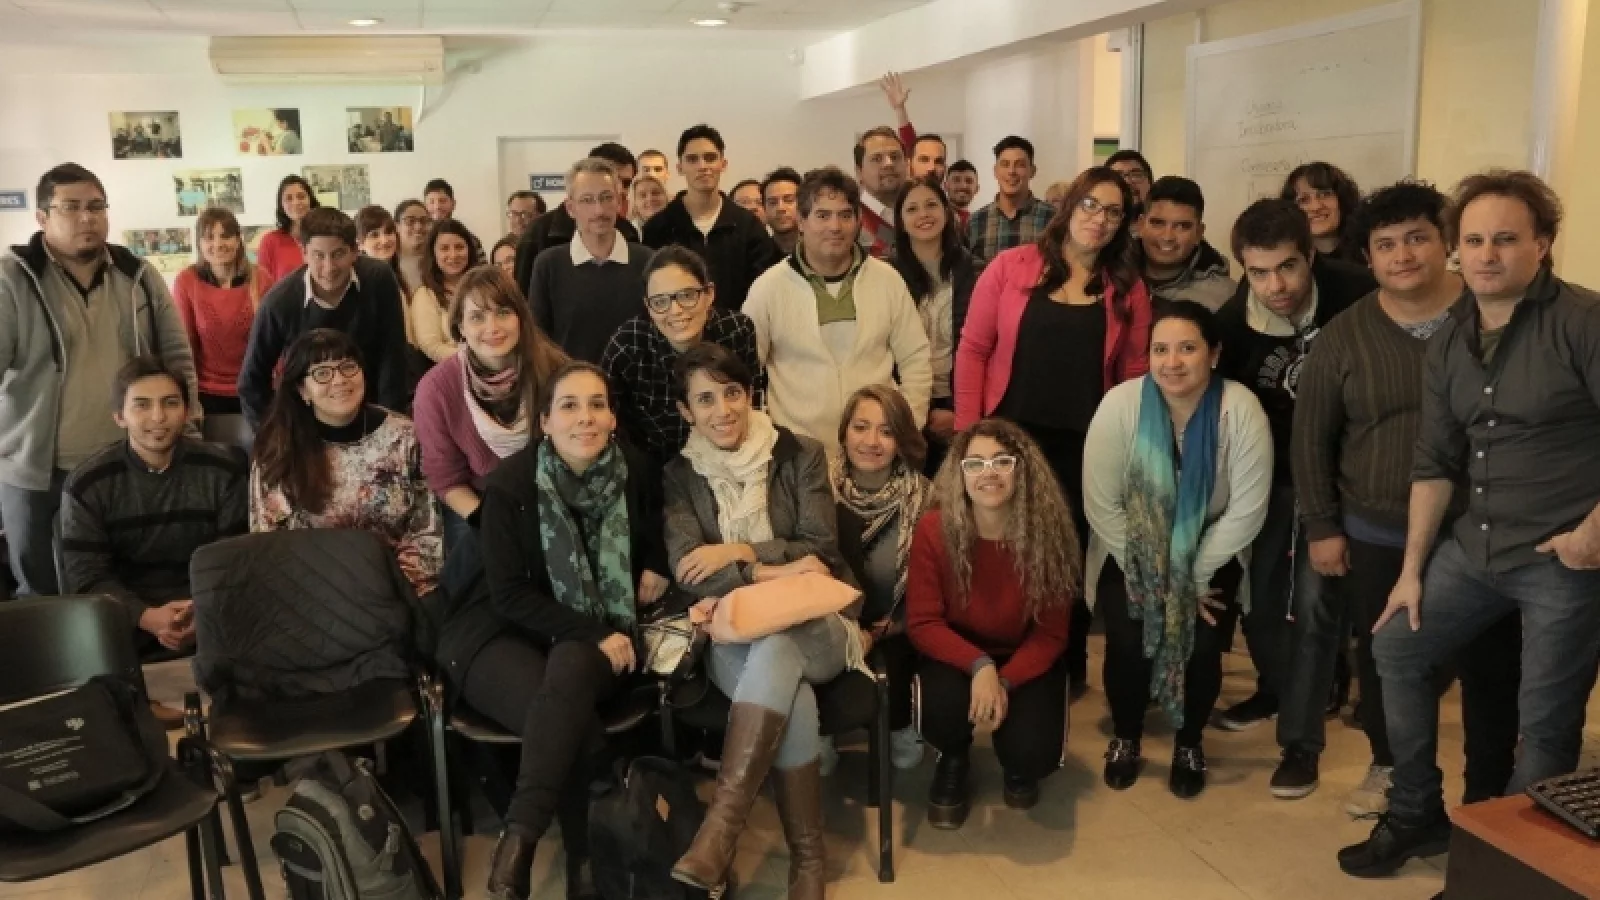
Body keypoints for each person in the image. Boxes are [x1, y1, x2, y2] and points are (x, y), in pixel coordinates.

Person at [1338, 171, 1600, 877]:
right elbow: (1433, 462)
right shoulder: (1452, 337)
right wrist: (1412, 572)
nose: (1487, 255)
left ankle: (1508, 872)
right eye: (1475, 240)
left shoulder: (1584, 321)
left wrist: (1592, 535)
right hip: (1473, 546)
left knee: (1545, 724)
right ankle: (1417, 812)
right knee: (1396, 649)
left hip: (1563, 560)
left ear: (1542, 244)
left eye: (1506, 239)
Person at [1279, 181, 1522, 814]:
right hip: (1378, 529)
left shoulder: (1492, 315)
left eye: (1417, 238)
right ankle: (1392, 769)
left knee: (1491, 664)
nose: (1403, 255)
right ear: (1367, 257)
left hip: (1482, 530)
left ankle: (1488, 791)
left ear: (1445, 243)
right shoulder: (1344, 335)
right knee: (1386, 658)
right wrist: (1323, 526)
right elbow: (1312, 438)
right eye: (1386, 245)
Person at [453, 360, 668, 900]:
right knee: (565, 716)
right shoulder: (510, 485)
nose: (585, 417)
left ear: (613, 417)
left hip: (590, 633)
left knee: (567, 680)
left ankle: (519, 838)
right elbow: (508, 595)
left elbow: (655, 538)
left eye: (597, 404)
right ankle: (583, 859)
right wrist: (594, 633)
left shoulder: (636, 471)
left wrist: (656, 566)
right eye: (569, 406)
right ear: (545, 422)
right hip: (498, 630)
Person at [663, 343, 859, 900]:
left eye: (732, 393)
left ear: (749, 395)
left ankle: (720, 833)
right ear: (685, 411)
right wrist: (773, 570)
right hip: (734, 635)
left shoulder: (801, 454)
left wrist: (738, 552)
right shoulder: (679, 476)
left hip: (817, 623)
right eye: (705, 399)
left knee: (778, 648)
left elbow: (820, 549)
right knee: (789, 686)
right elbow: (688, 571)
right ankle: (808, 861)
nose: (723, 409)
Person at [956, 166, 1153, 693]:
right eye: (1091, 204)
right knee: (1006, 548)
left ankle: (1064, 663)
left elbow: (1135, 375)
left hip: (1085, 444)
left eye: (1114, 212)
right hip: (1011, 436)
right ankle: (1002, 656)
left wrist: (1131, 449)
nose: (1099, 219)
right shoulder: (1010, 267)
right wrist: (969, 436)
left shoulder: (1127, 288)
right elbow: (973, 350)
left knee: (1068, 556)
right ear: (1069, 207)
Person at [1085, 300, 1272, 797]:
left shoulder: (1241, 409)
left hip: (1210, 552)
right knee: (1128, 641)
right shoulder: (1121, 405)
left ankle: (1189, 742)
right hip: (1130, 549)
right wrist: (1154, 571)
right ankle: (1127, 737)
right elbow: (1102, 504)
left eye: (1187, 348)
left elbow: (1247, 510)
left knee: (1203, 643)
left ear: (1214, 354)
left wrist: (1191, 575)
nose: (1172, 362)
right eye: (1160, 349)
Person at [1211, 198, 1376, 732]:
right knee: (1261, 596)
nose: (1275, 285)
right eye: (1258, 272)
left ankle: (1322, 692)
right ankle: (1275, 688)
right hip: (1273, 473)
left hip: (1348, 470)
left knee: (1317, 594)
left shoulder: (1359, 293)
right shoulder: (1233, 324)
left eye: (1287, 266)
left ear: (1310, 255)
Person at [0, 163, 200, 597]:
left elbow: (177, 360)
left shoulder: (138, 276)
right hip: (39, 473)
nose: (86, 217)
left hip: (127, 464)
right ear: (42, 217)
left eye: (96, 206)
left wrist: (190, 429)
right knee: (43, 595)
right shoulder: (12, 279)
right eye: (70, 207)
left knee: (123, 589)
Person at [59, 357, 246, 724]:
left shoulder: (223, 469)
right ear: (119, 416)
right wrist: (146, 617)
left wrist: (200, 612)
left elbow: (234, 560)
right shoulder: (88, 483)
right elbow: (87, 577)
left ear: (187, 411)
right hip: (126, 616)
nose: (158, 417)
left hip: (207, 608)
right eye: (142, 405)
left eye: (170, 403)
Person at [910, 418, 1077, 825]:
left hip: (1023, 654)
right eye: (975, 463)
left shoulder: (1048, 533)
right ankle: (953, 756)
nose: (989, 473)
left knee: (1033, 752)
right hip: (957, 652)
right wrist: (980, 666)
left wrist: (1004, 680)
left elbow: (1051, 633)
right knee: (941, 710)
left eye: (1002, 461)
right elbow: (923, 622)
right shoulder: (933, 530)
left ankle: (1018, 764)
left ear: (1023, 470)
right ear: (960, 473)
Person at [743, 167, 931, 460]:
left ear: (858, 221)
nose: (835, 226)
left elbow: (916, 359)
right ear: (801, 221)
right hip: (797, 454)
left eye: (845, 215)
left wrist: (905, 428)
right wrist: (764, 437)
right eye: (822, 215)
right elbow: (745, 372)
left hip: (877, 449)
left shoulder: (887, 280)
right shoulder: (768, 288)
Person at [249, 329, 441, 599]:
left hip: (395, 591)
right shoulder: (277, 448)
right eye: (322, 373)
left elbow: (427, 532)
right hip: (311, 594)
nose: (339, 380)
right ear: (302, 390)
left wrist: (389, 589)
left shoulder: (405, 437)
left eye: (348, 367)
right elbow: (269, 540)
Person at [414, 265, 566, 549]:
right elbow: (446, 480)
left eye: (503, 312)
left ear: (521, 318)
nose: (492, 327)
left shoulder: (555, 369)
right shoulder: (435, 390)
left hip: (553, 495)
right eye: (477, 317)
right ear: (460, 327)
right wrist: (494, 523)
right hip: (477, 501)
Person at [831, 385, 933, 774]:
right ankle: (821, 728)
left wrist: (893, 625)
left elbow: (935, 586)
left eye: (887, 431)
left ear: (901, 440)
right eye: (861, 427)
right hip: (831, 623)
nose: (871, 441)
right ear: (844, 432)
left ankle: (901, 722)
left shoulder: (925, 498)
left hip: (897, 623)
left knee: (898, 662)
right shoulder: (818, 488)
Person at [238, 207, 409, 427]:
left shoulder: (379, 279)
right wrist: (273, 435)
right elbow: (252, 381)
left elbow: (393, 356)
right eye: (318, 255)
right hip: (306, 419)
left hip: (370, 411)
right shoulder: (280, 302)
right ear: (303, 252)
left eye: (338, 254)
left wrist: (389, 426)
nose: (329, 267)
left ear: (355, 251)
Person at [601, 245, 762, 468]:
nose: (675, 310)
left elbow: (751, 404)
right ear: (648, 306)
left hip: (732, 459)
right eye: (660, 302)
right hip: (655, 469)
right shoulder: (628, 346)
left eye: (687, 296)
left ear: (709, 294)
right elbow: (612, 425)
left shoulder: (736, 331)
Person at [889, 176, 981, 474]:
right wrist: (920, 410)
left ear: (947, 212)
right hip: (905, 403)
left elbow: (987, 347)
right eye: (912, 209)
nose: (923, 214)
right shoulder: (886, 275)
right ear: (901, 221)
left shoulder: (976, 270)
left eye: (931, 205)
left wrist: (960, 412)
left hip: (963, 401)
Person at [641, 125, 777, 313]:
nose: (702, 166)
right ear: (680, 167)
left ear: (723, 164)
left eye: (710, 158)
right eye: (692, 159)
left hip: (736, 327)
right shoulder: (657, 228)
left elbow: (762, 294)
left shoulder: (748, 227)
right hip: (676, 327)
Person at [529, 158, 652, 364]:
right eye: (587, 200)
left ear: (619, 202)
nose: (599, 210)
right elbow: (538, 339)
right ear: (570, 208)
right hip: (570, 381)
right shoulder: (549, 265)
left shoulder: (647, 261)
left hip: (636, 382)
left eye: (606, 198)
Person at [173, 207, 268, 446]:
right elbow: (184, 345)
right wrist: (188, 399)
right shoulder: (187, 282)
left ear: (238, 240)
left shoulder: (261, 279)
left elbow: (272, 342)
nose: (218, 244)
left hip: (254, 389)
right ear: (199, 243)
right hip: (207, 395)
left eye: (225, 236)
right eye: (209, 237)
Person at [514, 144, 642, 298]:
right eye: (587, 199)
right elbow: (521, 300)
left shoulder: (629, 234)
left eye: (626, 183)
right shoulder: (539, 233)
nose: (621, 189)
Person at [1138, 176, 1233, 312]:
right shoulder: (1112, 275)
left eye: (1182, 226)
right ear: (1141, 225)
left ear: (1199, 233)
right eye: (1158, 223)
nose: (1167, 237)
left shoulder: (1224, 298)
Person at [967, 137, 1055, 262]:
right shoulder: (976, 221)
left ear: (1032, 171)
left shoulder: (1052, 218)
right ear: (995, 171)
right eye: (1005, 164)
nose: (1011, 171)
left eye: (1020, 165)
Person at [410, 218, 484, 364]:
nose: (453, 255)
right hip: (452, 369)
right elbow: (432, 346)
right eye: (444, 248)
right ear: (433, 254)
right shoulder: (425, 295)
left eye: (459, 247)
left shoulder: (484, 288)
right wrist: (477, 359)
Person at [1281, 162, 1364, 266]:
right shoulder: (1283, 261)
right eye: (1303, 200)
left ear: (1342, 200)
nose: (1316, 207)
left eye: (1325, 195)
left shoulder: (1369, 253)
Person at [855, 125, 909, 259]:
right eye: (877, 159)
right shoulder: (851, 219)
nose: (889, 164)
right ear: (859, 172)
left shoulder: (920, 214)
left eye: (895, 157)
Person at [257, 174, 320, 288]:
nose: (296, 202)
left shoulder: (323, 237)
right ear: (281, 205)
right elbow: (263, 287)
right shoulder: (270, 241)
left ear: (310, 200)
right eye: (289, 198)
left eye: (301, 196)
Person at [393, 198, 431, 298]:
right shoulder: (389, 262)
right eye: (410, 221)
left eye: (424, 221)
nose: (418, 227)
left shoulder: (436, 259)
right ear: (397, 226)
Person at [762, 167, 803, 256]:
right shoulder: (758, 256)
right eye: (772, 202)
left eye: (789, 200)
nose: (780, 208)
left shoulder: (819, 251)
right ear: (764, 209)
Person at [944, 159, 979, 233]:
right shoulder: (938, 217)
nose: (963, 186)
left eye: (969, 181)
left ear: (977, 188)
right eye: (956, 180)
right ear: (946, 186)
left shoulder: (977, 221)